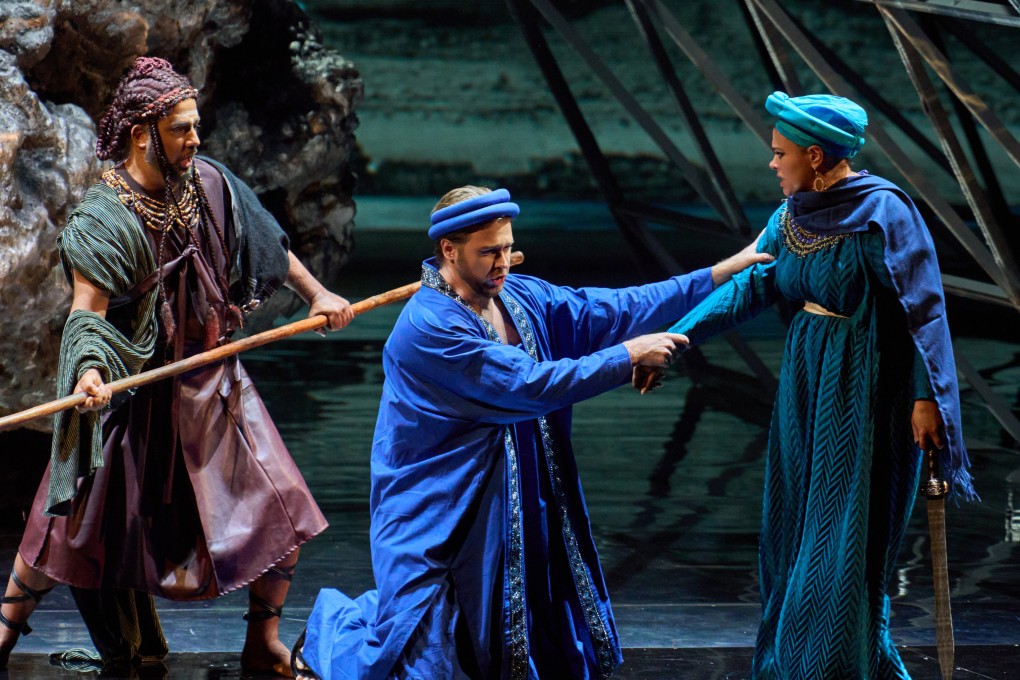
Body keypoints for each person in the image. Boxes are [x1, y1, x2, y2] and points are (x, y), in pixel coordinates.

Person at [294, 185, 773, 679]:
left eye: (507, 247)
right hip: (444, 503)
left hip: (515, 487)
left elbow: (609, 309)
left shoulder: (517, 295)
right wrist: (627, 356)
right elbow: (530, 384)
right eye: (488, 252)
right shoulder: (429, 328)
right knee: (430, 647)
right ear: (448, 251)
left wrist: (719, 273)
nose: (503, 262)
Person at [0, 56, 353, 676]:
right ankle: (3, 635)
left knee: (285, 511)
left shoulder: (210, 185)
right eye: (182, 129)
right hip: (138, 399)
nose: (196, 139)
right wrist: (88, 373)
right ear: (143, 134)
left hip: (216, 388)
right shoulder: (103, 218)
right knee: (63, 527)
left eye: (195, 127)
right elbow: (88, 313)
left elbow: (271, 244)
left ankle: (261, 642)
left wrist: (319, 295)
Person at [642, 92, 976, 679]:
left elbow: (922, 313)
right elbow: (752, 285)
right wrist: (678, 337)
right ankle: (795, 663)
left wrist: (928, 399)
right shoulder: (790, 214)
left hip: (865, 386)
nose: (772, 164)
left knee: (840, 534)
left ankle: (830, 666)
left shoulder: (882, 213)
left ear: (816, 156)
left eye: (781, 154)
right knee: (793, 525)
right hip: (805, 382)